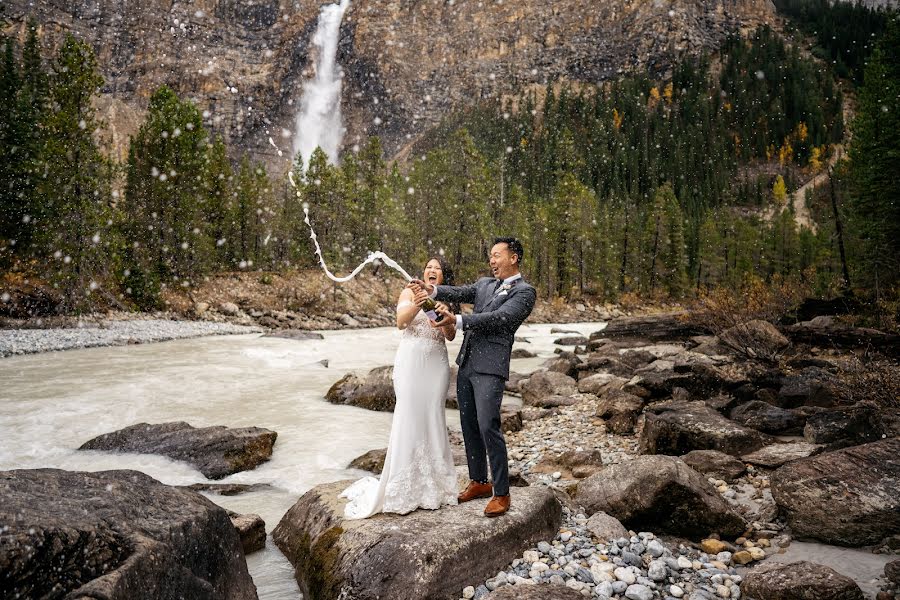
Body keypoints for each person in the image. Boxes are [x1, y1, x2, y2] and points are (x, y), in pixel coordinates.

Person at [409, 237, 536, 517]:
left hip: (491, 366)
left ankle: (501, 493)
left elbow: (500, 319)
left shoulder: (525, 292)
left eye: (497, 255)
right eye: (490, 256)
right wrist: (431, 288)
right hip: (467, 363)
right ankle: (479, 481)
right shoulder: (483, 284)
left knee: (488, 425)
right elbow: (458, 292)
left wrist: (457, 321)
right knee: (468, 425)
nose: (492, 260)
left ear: (513, 258)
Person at [340, 257, 459, 518]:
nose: (431, 271)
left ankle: (437, 487)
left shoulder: (447, 298)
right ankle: (403, 487)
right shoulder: (409, 290)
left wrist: (444, 315)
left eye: (437, 268)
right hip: (411, 361)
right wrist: (418, 303)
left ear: (443, 276)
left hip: (436, 363)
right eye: (428, 267)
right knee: (408, 416)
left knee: (433, 416)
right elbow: (401, 323)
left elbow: (450, 336)